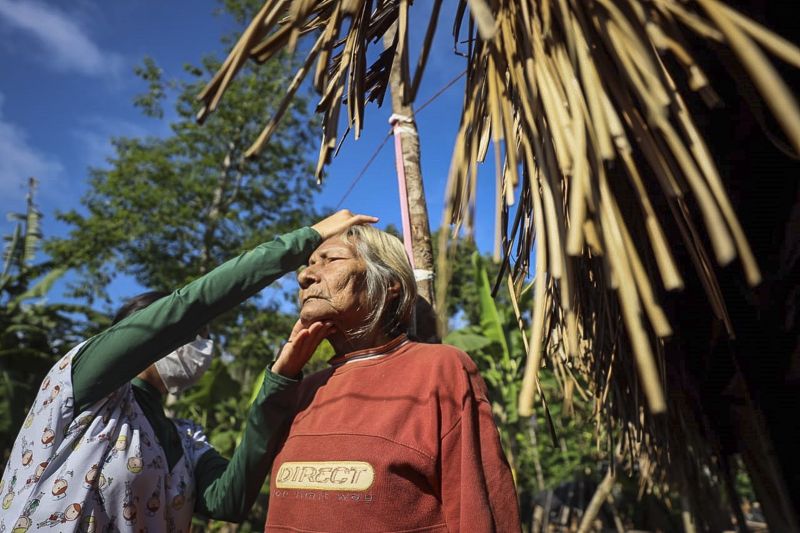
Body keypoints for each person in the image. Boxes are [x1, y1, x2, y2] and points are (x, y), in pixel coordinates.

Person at [0, 210, 376, 533]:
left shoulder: (184, 440)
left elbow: (229, 500)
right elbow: (189, 306)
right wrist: (304, 240)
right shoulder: (84, 386)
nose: (202, 348)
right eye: (194, 335)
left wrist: (280, 379)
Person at [262, 224, 521, 532]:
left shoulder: (440, 370)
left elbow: (478, 513)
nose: (305, 275)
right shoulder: (301, 389)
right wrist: (280, 378)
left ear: (389, 283)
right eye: (309, 264)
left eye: (330, 260)